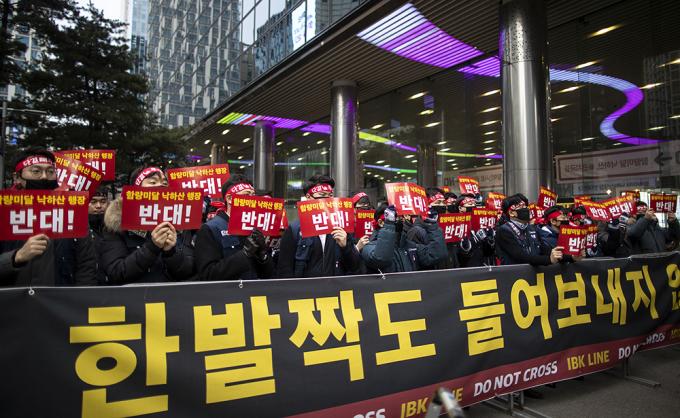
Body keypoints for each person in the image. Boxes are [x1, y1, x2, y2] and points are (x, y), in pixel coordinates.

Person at [0, 147, 97, 286]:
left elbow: (86, 264)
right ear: (17, 177)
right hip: (12, 298)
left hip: (60, 297)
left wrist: (79, 297)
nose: (44, 177)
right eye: (36, 171)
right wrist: (16, 257)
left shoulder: (72, 212)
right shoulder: (3, 212)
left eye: (50, 171)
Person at [100, 166, 195, 284]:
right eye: (153, 182)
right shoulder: (117, 225)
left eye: (164, 183)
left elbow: (189, 271)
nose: (160, 186)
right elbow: (116, 272)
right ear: (136, 190)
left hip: (173, 294)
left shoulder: (179, 224)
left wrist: (170, 253)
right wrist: (152, 247)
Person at [278, 174, 363, 278]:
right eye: (322, 195)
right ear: (308, 197)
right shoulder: (294, 229)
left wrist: (346, 247)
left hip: (335, 286)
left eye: (330, 195)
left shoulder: (342, 227)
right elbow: (285, 269)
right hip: (305, 288)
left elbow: (355, 267)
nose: (327, 199)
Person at [194, 174, 273, 281]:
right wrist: (244, 254)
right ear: (230, 198)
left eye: (253, 195)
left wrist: (262, 254)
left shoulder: (254, 227)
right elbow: (208, 274)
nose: (252, 200)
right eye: (246, 195)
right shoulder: (210, 229)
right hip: (228, 291)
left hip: (254, 290)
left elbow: (268, 275)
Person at [361, 203, 447, 273]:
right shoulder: (369, 247)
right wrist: (389, 225)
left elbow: (436, 255)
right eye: (395, 216)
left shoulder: (410, 246)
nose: (400, 219)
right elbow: (380, 259)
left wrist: (432, 226)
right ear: (381, 222)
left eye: (402, 216)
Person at [495, 194, 563, 266]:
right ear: (511, 213)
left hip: (533, 273)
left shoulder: (532, 228)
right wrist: (549, 259)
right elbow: (521, 256)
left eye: (526, 206)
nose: (526, 209)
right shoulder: (504, 231)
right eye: (522, 207)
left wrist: (564, 256)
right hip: (514, 272)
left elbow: (545, 250)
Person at [457, 193, 495, 267]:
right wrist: (469, 243)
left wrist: (489, 240)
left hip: (483, 266)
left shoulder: (480, 223)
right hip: (467, 268)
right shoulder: (456, 226)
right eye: (469, 204)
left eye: (474, 204)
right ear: (460, 208)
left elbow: (488, 252)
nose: (473, 206)